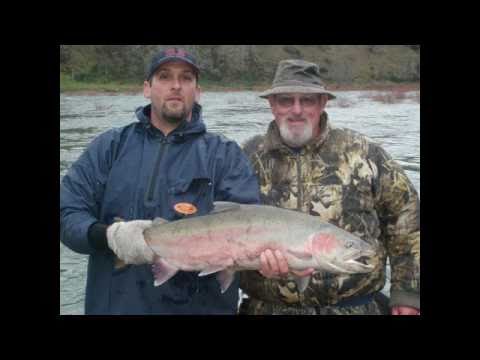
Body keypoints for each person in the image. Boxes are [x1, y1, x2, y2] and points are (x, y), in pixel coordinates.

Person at [60, 48, 260, 315]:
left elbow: (252, 227)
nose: (176, 85)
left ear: (197, 91)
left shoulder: (225, 155)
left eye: (186, 78)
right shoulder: (108, 147)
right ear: (147, 88)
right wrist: (107, 236)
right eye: (164, 76)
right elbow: (67, 212)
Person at [239, 59, 420, 315]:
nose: (297, 109)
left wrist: (408, 294)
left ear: (323, 103)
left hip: (355, 308)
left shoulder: (365, 153)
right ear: (272, 105)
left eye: (308, 100)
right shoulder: (245, 158)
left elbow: (408, 223)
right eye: (286, 100)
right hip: (266, 309)